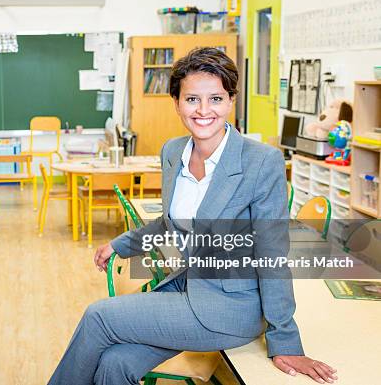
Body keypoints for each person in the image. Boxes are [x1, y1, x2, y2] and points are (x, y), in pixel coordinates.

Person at [48, 47, 337, 385]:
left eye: (215, 99)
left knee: (98, 317)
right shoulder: (173, 152)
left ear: (231, 101)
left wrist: (285, 338)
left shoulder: (262, 162)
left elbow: (272, 253)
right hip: (183, 288)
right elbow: (171, 222)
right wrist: (120, 244)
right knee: (116, 363)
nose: (203, 111)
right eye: (191, 100)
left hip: (230, 307)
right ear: (177, 103)